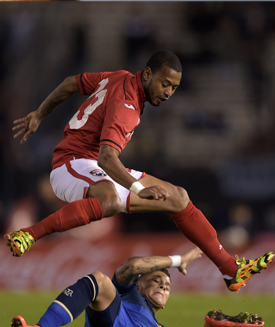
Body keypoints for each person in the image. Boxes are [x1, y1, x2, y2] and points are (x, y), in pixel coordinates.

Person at [4, 50, 274, 292]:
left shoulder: (119, 77)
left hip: (94, 166)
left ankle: (230, 270)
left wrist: (40, 114)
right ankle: (29, 234)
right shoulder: (127, 106)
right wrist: (139, 189)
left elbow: (70, 83)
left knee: (178, 198)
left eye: (174, 87)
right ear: (147, 74)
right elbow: (108, 158)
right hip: (70, 164)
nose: (168, 92)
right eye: (164, 83)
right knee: (108, 200)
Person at [11, 247, 265, 327]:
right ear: (141, 284)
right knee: (100, 279)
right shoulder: (129, 293)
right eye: (156, 280)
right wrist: (176, 261)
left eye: (167, 285)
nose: (163, 285)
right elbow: (133, 266)